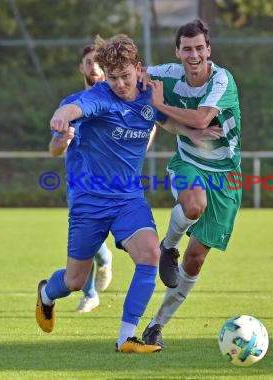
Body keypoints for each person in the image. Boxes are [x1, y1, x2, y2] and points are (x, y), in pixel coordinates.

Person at [36, 34, 164, 353]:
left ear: (138, 69)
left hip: (128, 199)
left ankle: (126, 338)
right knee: (75, 281)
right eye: (113, 78)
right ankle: (46, 295)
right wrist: (61, 118)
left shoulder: (151, 92)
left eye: (125, 76)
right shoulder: (99, 97)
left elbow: (165, 112)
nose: (120, 84)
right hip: (88, 200)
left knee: (150, 254)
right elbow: (75, 109)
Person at [141, 19, 242, 347]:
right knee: (193, 205)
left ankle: (157, 324)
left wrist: (158, 106)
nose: (194, 54)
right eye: (187, 49)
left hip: (226, 178)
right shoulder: (167, 73)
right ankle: (167, 246)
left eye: (199, 48)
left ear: (208, 50)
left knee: (196, 259)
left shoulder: (221, 79)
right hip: (187, 164)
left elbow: (201, 117)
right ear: (178, 52)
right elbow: (135, 76)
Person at [48, 45, 113, 313]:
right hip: (79, 185)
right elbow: (53, 149)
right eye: (89, 62)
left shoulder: (117, 101)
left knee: (96, 239)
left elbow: (151, 123)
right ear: (82, 68)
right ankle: (90, 294)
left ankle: (106, 259)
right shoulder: (70, 104)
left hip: (112, 183)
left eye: (98, 62)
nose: (94, 66)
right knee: (83, 240)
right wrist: (62, 141)